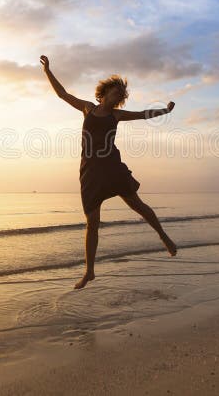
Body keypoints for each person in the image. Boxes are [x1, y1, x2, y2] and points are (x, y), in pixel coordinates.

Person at [40, 55, 178, 290]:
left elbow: (143, 114)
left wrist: (164, 111)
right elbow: (63, 94)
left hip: (112, 167)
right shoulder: (87, 108)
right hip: (90, 172)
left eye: (120, 96)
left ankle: (163, 235)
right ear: (103, 94)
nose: (118, 98)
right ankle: (89, 272)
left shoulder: (117, 115)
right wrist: (48, 72)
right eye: (114, 93)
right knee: (92, 222)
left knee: (138, 205)